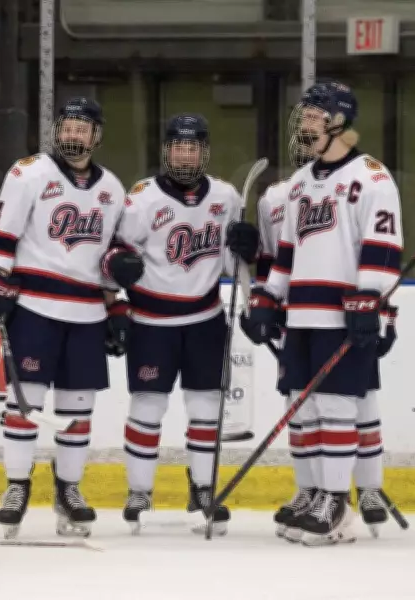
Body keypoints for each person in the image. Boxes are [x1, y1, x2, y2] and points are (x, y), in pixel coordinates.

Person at [238, 80, 404, 546]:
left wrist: (371, 301)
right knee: (303, 407)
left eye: (313, 116)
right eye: (303, 117)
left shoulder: (371, 177)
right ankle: (312, 492)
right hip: (302, 316)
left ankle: (336, 500)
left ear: (339, 121)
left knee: (336, 406)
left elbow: (383, 246)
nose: (304, 125)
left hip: (341, 314)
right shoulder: (301, 184)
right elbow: (287, 251)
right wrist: (268, 300)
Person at [0, 97, 138, 539]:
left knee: (77, 408)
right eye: (67, 127)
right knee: (25, 402)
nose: (73, 135)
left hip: (86, 312)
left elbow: (112, 258)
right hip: (34, 308)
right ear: (56, 131)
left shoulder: (113, 189)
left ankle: (68, 489)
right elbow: (2, 232)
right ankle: (16, 486)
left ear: (97, 135)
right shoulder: (28, 172)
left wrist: (117, 304)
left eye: (82, 128)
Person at [103, 113, 260, 535]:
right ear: (166, 150)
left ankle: (204, 489)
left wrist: (250, 264)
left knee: (207, 408)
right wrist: (114, 300)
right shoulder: (141, 199)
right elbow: (113, 257)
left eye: (193, 147)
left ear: (205, 151)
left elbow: (233, 262)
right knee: (147, 406)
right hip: (151, 323)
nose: (185, 154)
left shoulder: (226, 197)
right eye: (178, 146)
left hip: (206, 320)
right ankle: (139, 491)